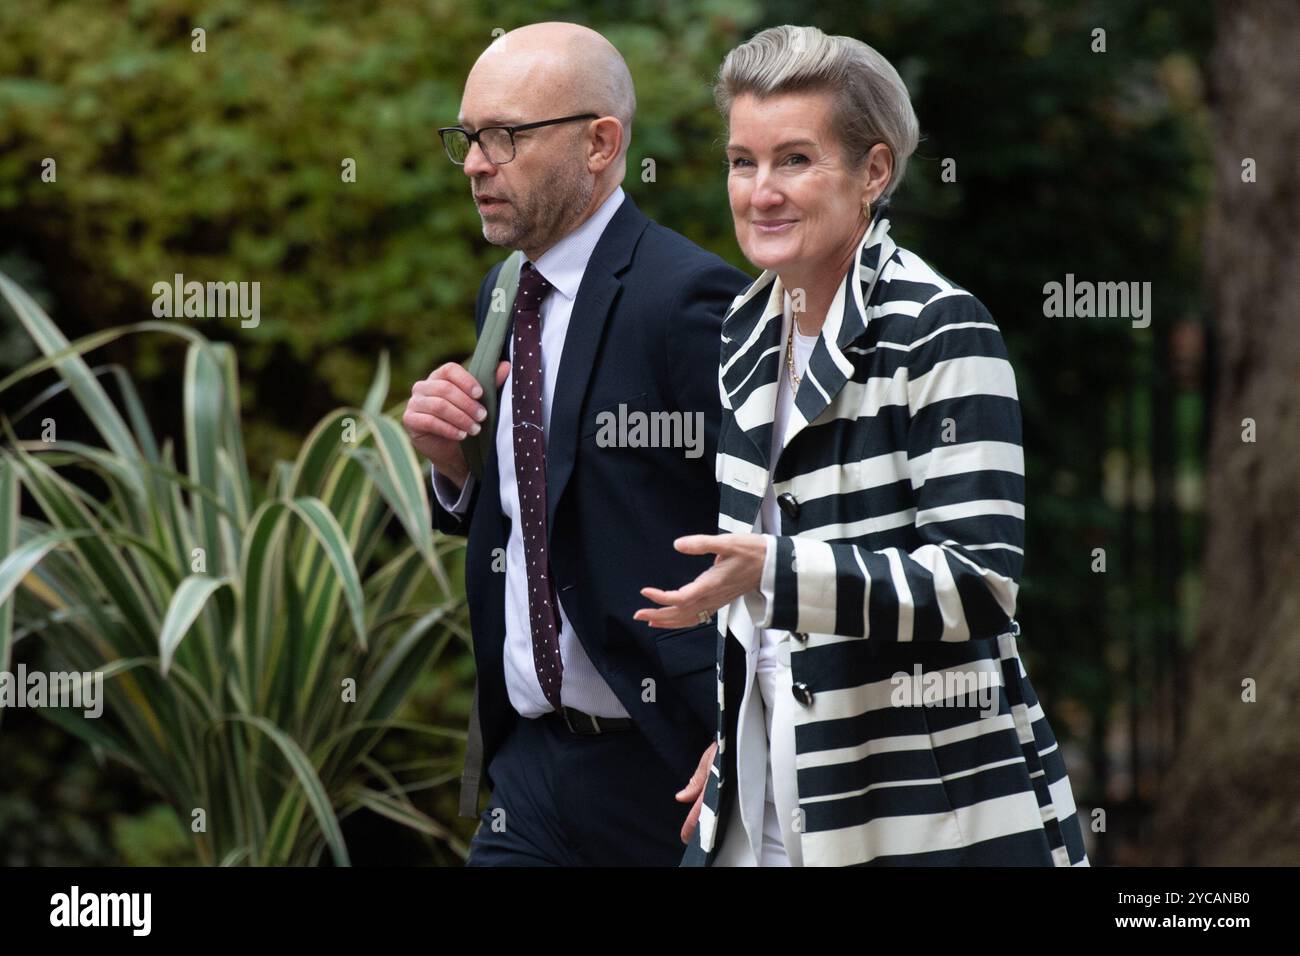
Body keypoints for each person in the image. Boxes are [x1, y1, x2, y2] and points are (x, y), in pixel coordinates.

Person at [636, 24, 1090, 867]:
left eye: (795, 160)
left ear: (873, 173)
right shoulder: (743, 326)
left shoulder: (939, 325)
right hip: (768, 797)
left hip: (919, 810)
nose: (760, 191)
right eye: (743, 161)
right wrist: (737, 738)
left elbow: (980, 584)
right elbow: (764, 629)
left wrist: (773, 571)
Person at [403, 22, 750, 865]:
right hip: (529, 766)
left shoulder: (687, 298)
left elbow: (764, 528)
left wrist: (739, 734)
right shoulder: (505, 288)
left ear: (601, 143)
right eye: (467, 138)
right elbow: (540, 499)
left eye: (505, 136)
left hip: (665, 766)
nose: (477, 163)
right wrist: (454, 469)